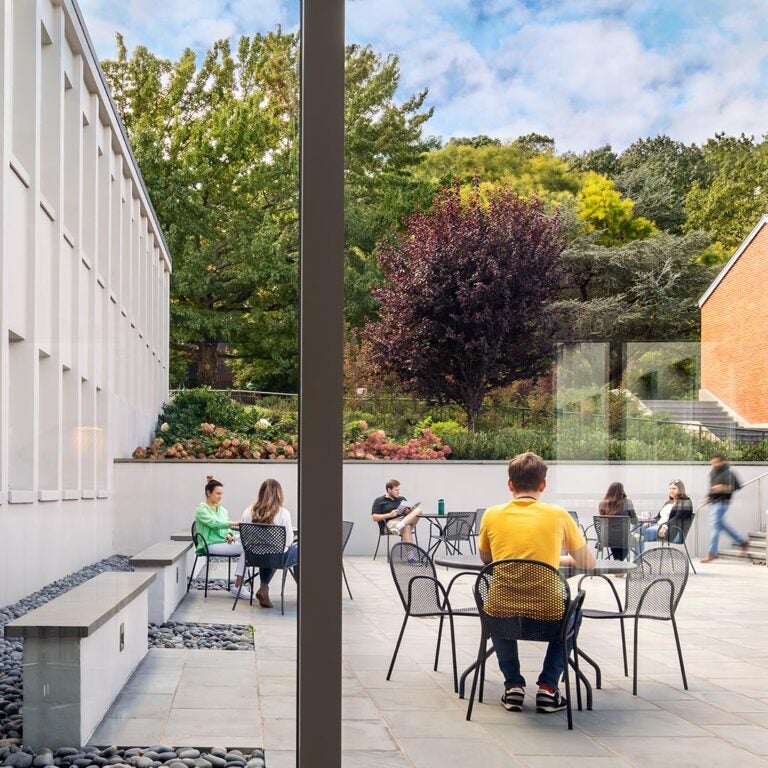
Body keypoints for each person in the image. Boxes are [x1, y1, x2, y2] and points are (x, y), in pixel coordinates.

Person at [478, 452, 595, 714]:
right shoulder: (558, 515)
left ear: (510, 485)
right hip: (548, 614)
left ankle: (513, 686)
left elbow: (488, 558)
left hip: (502, 613)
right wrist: (555, 559)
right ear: (543, 485)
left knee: (495, 608)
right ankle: (548, 688)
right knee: (574, 612)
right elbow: (588, 563)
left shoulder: (491, 514)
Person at [241, 478, 297, 608]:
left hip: (254, 556)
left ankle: (264, 588)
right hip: (275, 557)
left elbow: (245, 534)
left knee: (268, 552)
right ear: (279, 494)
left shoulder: (248, 511)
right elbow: (288, 541)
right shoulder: (283, 513)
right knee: (300, 551)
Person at [194, 475, 249, 599]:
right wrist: (234, 522)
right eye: (218, 493)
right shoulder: (201, 509)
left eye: (221, 494)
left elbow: (226, 530)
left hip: (222, 542)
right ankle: (238, 586)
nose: (220, 496)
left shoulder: (222, 510)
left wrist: (230, 535)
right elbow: (214, 524)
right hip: (209, 544)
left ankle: (239, 585)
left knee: (248, 545)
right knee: (247, 549)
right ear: (209, 492)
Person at [702, 453, 748, 563]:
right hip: (714, 502)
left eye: (716, 462)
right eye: (712, 463)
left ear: (722, 462)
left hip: (723, 502)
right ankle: (742, 542)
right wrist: (708, 497)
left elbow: (737, 486)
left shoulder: (729, 473)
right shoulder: (712, 473)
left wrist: (724, 488)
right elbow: (711, 488)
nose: (713, 465)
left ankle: (712, 553)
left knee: (715, 526)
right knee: (721, 525)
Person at [639, 480, 693, 548]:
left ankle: (631, 542)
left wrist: (665, 526)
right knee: (638, 527)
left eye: (674, 488)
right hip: (659, 526)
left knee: (639, 535)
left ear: (680, 490)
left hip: (673, 531)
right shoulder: (668, 502)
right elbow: (658, 517)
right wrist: (649, 522)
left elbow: (678, 518)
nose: (671, 490)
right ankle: (633, 542)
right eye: (670, 488)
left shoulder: (686, 502)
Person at [371, 478, 422, 544]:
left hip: (403, 520)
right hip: (389, 524)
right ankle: (410, 554)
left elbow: (408, 513)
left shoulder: (401, 499)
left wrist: (408, 512)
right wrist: (390, 515)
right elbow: (374, 517)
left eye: (398, 490)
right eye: (396, 490)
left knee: (418, 510)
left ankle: (399, 526)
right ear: (389, 490)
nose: (398, 492)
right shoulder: (379, 500)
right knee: (407, 527)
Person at [597, 482, 638, 561]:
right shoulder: (627, 502)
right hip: (623, 538)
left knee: (615, 538)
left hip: (606, 538)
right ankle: (619, 563)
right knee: (630, 539)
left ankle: (618, 563)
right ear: (622, 491)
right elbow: (634, 521)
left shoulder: (602, 503)